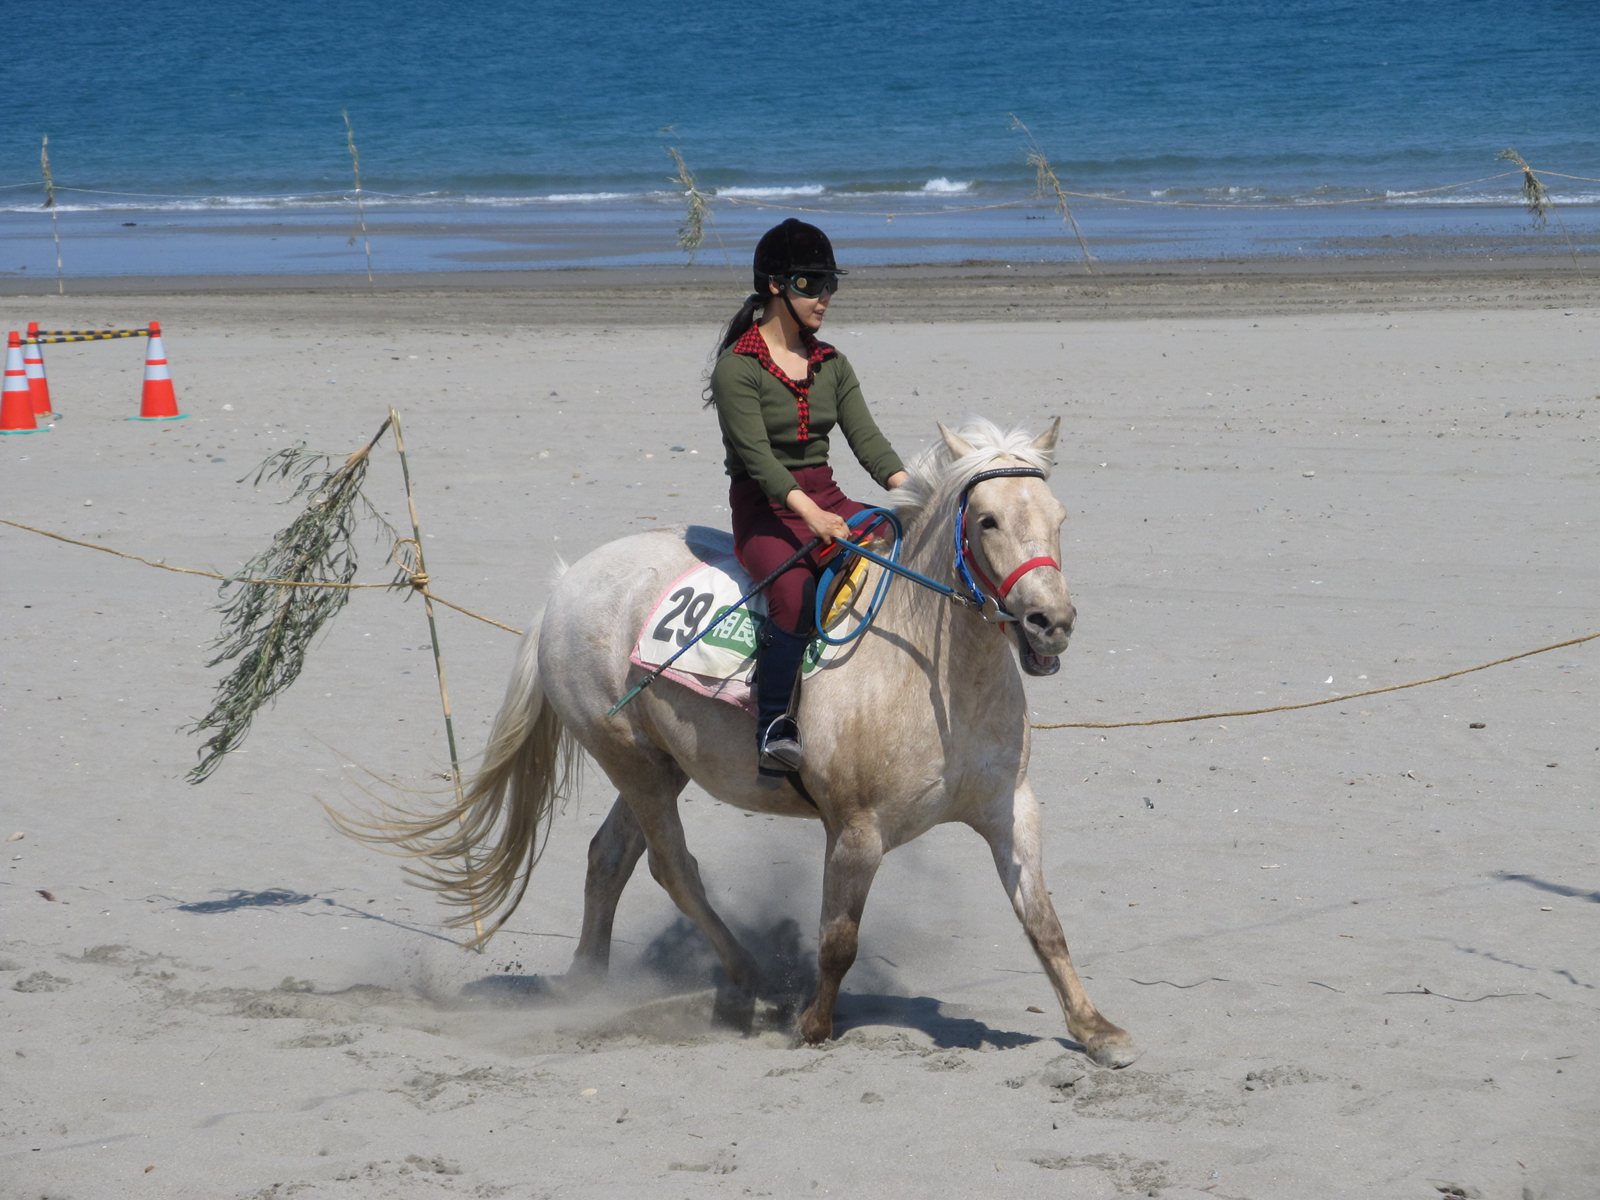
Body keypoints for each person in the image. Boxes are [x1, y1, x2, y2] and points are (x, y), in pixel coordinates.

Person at [706, 218, 909, 777]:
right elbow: (759, 461)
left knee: (906, 550)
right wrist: (811, 515)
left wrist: (918, 492)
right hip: (766, 510)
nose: (824, 297)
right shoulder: (737, 368)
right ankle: (774, 724)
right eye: (810, 284)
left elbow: (869, 443)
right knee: (794, 593)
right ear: (775, 285)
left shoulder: (832, 364)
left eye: (829, 285)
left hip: (829, 497)